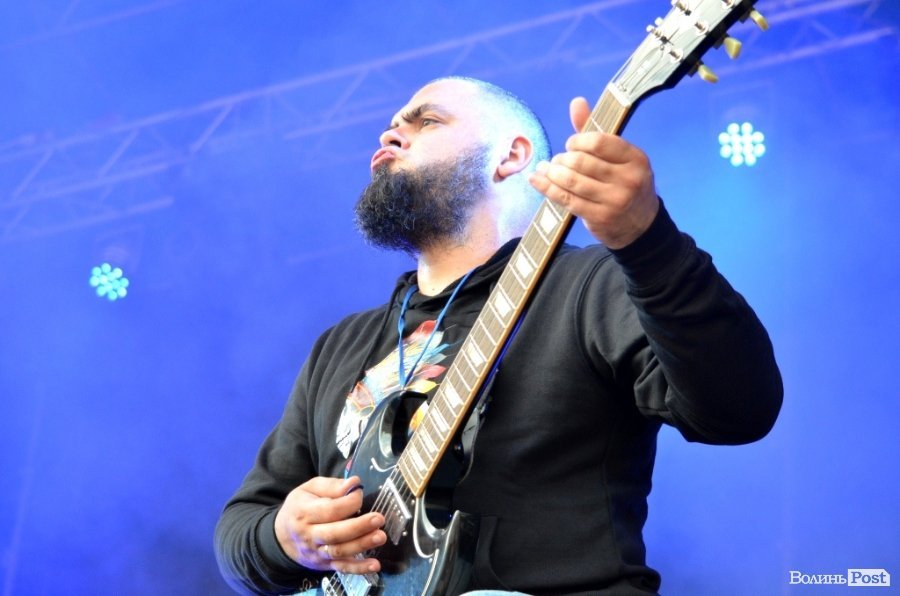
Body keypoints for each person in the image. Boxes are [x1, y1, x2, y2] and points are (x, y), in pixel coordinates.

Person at [214, 76, 783, 595]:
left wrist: (648, 242)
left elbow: (739, 409)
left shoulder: (591, 286)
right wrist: (285, 537)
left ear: (510, 156)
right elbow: (239, 530)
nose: (391, 133)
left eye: (426, 120)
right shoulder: (341, 345)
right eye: (392, 125)